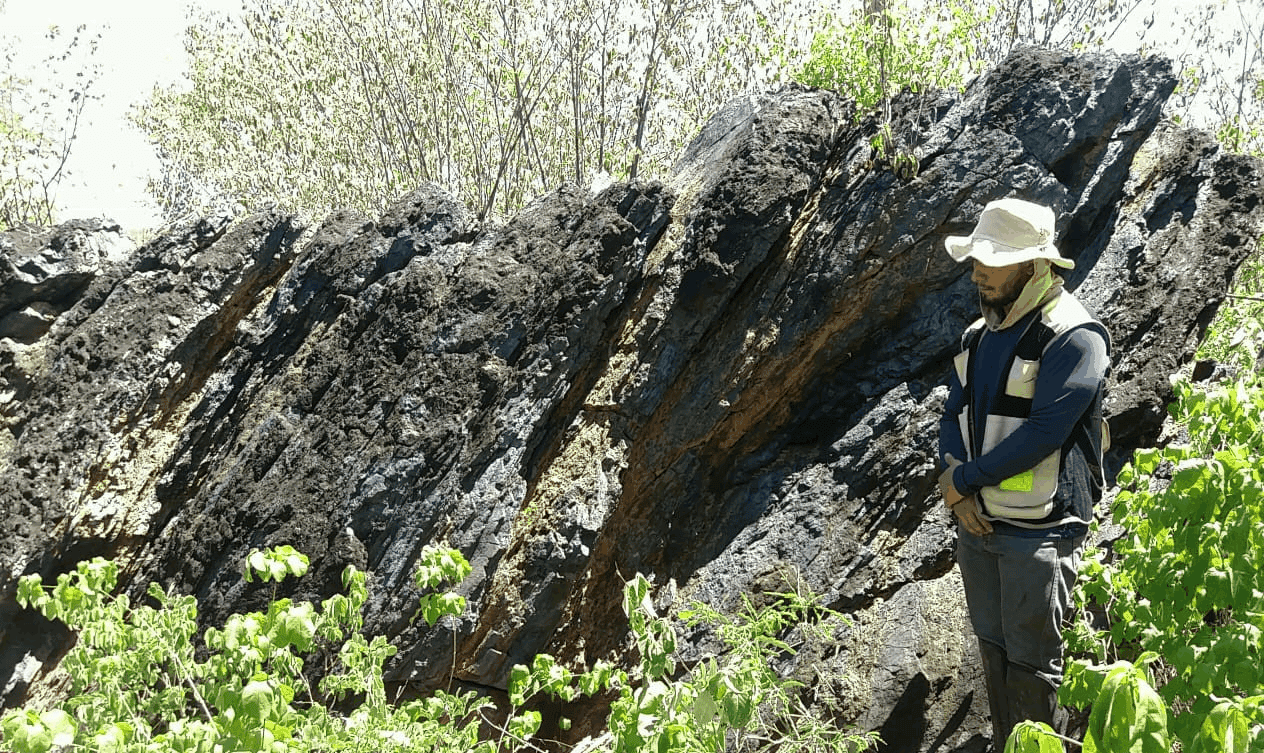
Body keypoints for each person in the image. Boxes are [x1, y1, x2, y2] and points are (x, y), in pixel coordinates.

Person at [937, 197, 1111, 748]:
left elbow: (1043, 436)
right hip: (979, 523)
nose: (979, 270)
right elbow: (953, 415)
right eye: (977, 258)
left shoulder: (1075, 338)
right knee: (993, 650)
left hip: (1042, 530)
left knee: (1034, 670)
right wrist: (956, 487)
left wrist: (962, 483)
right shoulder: (977, 337)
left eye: (995, 259)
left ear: (1035, 266)